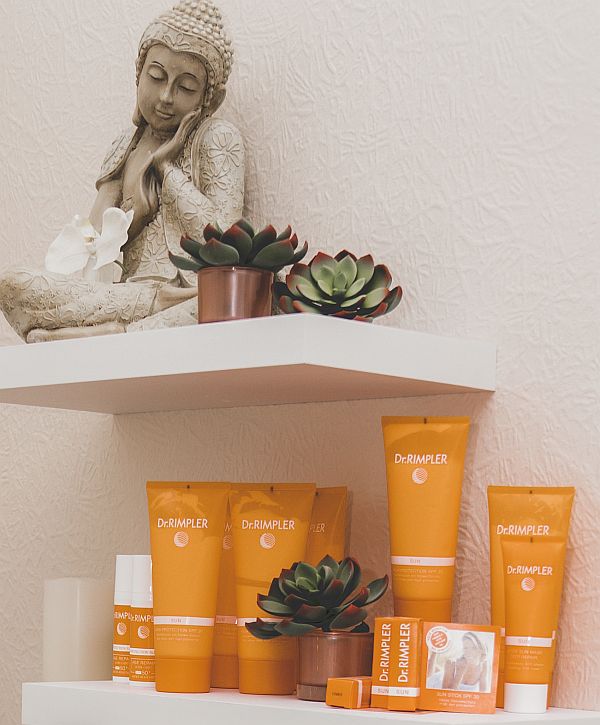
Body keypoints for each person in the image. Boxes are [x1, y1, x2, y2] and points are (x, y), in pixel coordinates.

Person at [0, 0, 244, 342]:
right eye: (156, 77)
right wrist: (124, 225)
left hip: (186, 294)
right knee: (13, 283)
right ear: (138, 74)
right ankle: (114, 327)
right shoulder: (124, 146)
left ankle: (108, 333)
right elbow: (91, 241)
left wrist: (167, 169)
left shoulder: (217, 138)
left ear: (210, 100)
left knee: (228, 300)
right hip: (126, 295)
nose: (166, 96)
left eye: (186, 87)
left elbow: (228, 242)